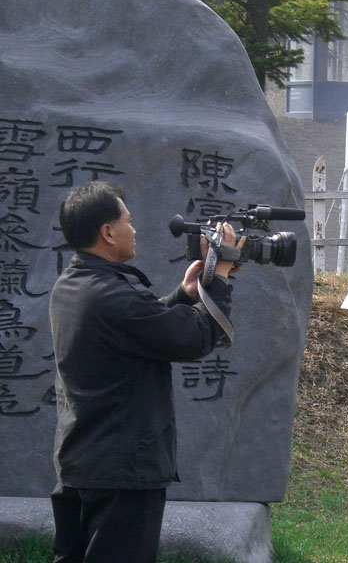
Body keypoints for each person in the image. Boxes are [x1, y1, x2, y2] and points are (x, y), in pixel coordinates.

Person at [48, 181, 243, 563]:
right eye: (128, 221)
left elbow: (137, 326)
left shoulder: (72, 286)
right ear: (108, 232)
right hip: (122, 475)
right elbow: (194, 337)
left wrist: (184, 294)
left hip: (81, 464)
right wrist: (219, 276)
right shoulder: (114, 296)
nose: (134, 229)